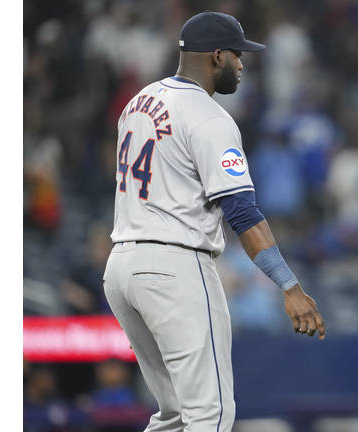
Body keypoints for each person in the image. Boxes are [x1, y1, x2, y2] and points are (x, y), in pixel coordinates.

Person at [103, 11, 325, 432]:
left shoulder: (138, 102)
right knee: (211, 413)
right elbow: (241, 211)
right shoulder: (209, 117)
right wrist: (291, 287)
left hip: (122, 267)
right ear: (217, 56)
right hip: (175, 268)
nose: (242, 64)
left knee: (173, 416)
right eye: (237, 55)